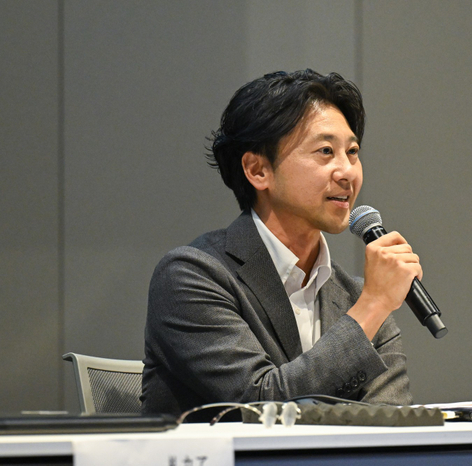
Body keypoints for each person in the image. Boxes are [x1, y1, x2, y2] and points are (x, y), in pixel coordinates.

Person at [141, 69, 421, 417]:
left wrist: (372, 304)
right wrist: (374, 305)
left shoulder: (355, 297)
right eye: (325, 151)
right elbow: (261, 403)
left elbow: (389, 421)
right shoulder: (192, 276)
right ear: (258, 171)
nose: (348, 171)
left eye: (352, 151)